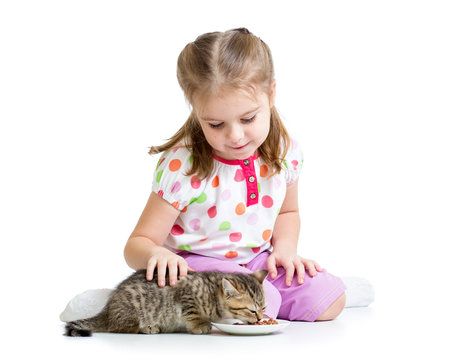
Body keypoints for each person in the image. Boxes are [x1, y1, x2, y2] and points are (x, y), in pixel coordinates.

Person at [124, 28, 346, 322]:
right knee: (263, 305)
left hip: (255, 263)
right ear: (196, 110)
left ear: (271, 94)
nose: (235, 136)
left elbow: (288, 211)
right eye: (216, 124)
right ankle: (126, 303)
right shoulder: (184, 165)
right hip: (196, 268)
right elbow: (137, 243)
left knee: (330, 300)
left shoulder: (283, 151)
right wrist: (158, 255)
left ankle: (302, 293)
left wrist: (285, 250)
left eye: (248, 118)